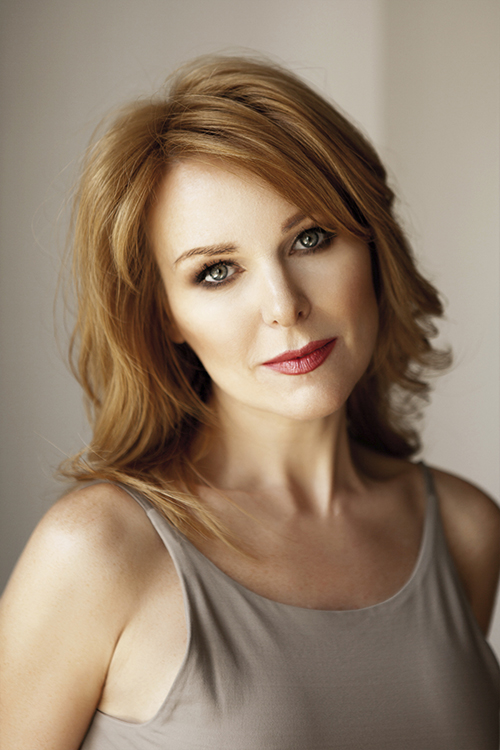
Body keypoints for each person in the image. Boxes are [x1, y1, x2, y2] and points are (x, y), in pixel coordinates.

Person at [0, 55, 499, 750]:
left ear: (372, 244)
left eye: (310, 239)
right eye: (217, 272)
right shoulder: (97, 551)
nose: (284, 306)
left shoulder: (465, 531)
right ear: (165, 315)